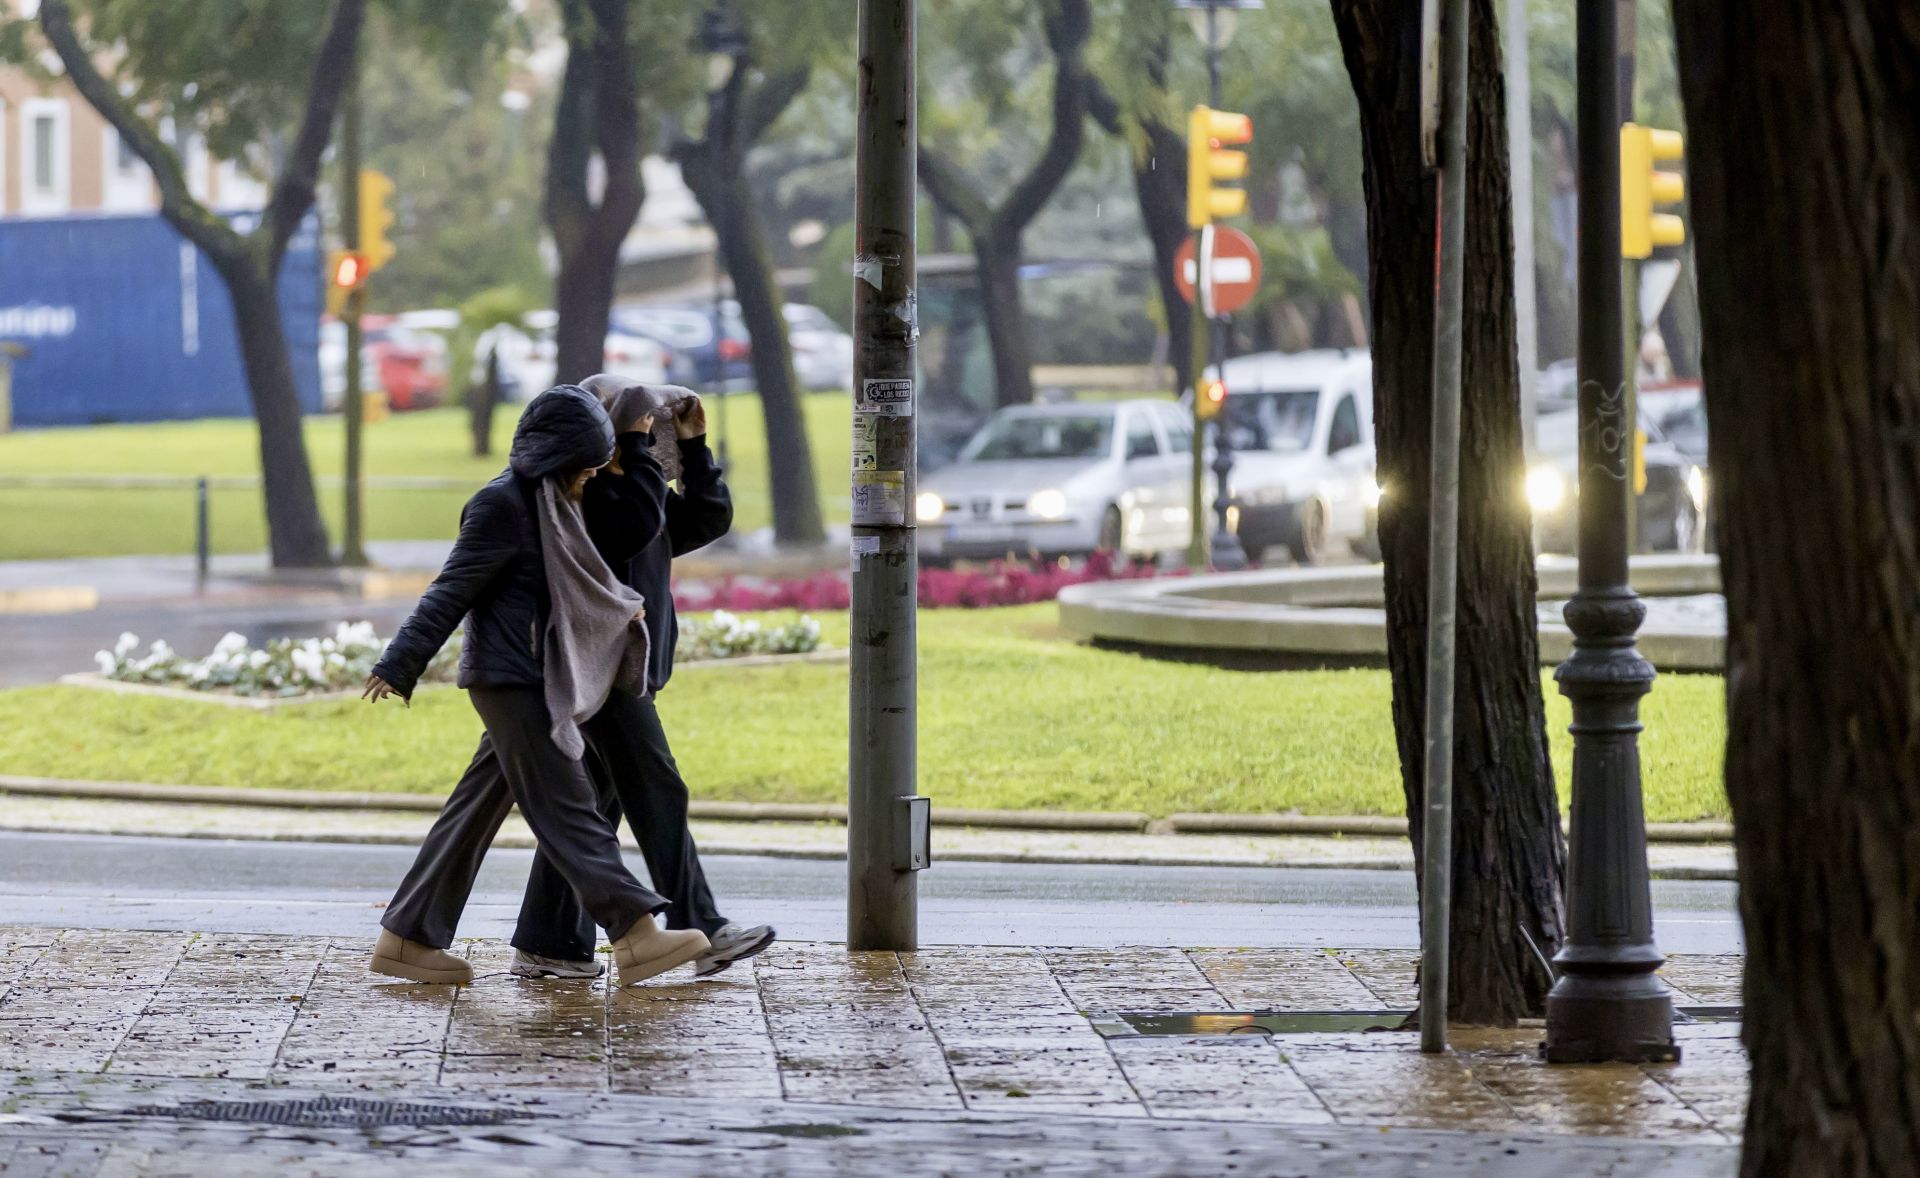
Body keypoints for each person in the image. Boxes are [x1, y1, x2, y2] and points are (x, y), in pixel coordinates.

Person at [369, 377, 774, 983]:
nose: (596, 470)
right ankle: (641, 936)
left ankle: (414, 937)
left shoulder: (559, 502)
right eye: (590, 460)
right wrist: (400, 663)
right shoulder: (519, 503)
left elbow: (689, 521)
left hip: (555, 674)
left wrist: (689, 449)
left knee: (481, 811)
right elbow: (452, 588)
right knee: (573, 810)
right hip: (527, 676)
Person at [516, 374, 775, 979]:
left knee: (590, 814)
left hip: (630, 671)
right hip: (599, 670)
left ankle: (550, 942)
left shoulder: (639, 490)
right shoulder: (584, 498)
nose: (649, 437)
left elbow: (706, 519)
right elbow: (633, 522)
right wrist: (633, 450)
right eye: (637, 424)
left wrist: (696, 449)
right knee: (658, 790)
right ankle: (704, 926)